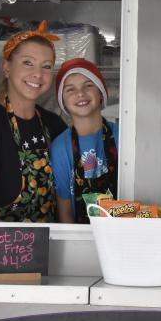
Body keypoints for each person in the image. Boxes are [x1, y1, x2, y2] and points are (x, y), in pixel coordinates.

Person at [0, 22, 68, 222]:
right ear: (6, 67)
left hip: (50, 244)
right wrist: (24, 242)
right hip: (3, 247)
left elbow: (67, 197)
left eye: (46, 66)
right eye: (28, 63)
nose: (38, 75)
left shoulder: (54, 125)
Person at [49, 58, 119, 223]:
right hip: (81, 238)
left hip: (125, 235)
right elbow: (64, 210)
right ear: (63, 102)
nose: (80, 93)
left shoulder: (123, 135)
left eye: (88, 85)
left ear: (101, 93)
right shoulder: (60, 148)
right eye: (70, 89)